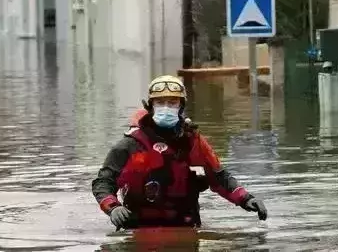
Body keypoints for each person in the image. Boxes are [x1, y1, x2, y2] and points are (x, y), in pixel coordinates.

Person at [91, 74, 268, 229]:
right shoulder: (129, 145)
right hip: (138, 228)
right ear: (150, 106)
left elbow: (219, 178)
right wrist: (113, 208)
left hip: (185, 226)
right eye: (160, 102)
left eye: (172, 102)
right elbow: (104, 182)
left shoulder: (193, 142)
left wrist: (246, 199)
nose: (166, 107)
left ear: (181, 106)